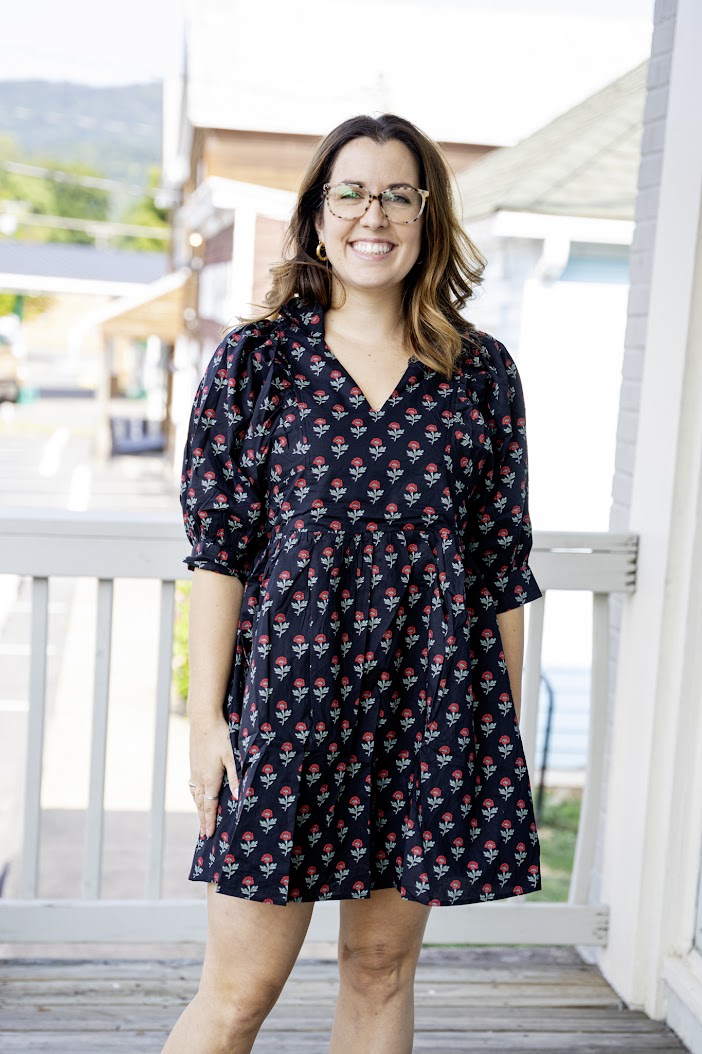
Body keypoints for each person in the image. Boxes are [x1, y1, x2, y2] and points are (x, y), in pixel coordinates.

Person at [163, 112, 544, 1054]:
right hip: (288, 713)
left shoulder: (480, 372)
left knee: (379, 975)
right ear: (318, 213)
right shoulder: (255, 364)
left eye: (398, 194)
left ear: (427, 213)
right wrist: (208, 722)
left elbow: (500, 570)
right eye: (351, 191)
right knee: (238, 992)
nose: (374, 215)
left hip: (427, 716)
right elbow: (220, 555)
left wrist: (495, 734)